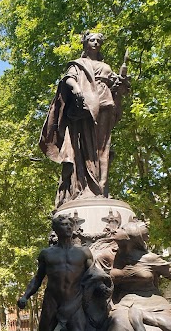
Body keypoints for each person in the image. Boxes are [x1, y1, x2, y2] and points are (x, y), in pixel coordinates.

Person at [40, 31, 130, 208]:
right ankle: (87, 186)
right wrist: (77, 90)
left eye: (98, 40)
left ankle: (102, 188)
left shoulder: (106, 66)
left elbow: (115, 86)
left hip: (106, 104)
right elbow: (69, 79)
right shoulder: (79, 64)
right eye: (92, 40)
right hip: (86, 108)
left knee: (103, 148)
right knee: (85, 147)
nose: (95, 43)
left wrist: (122, 83)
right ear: (85, 43)